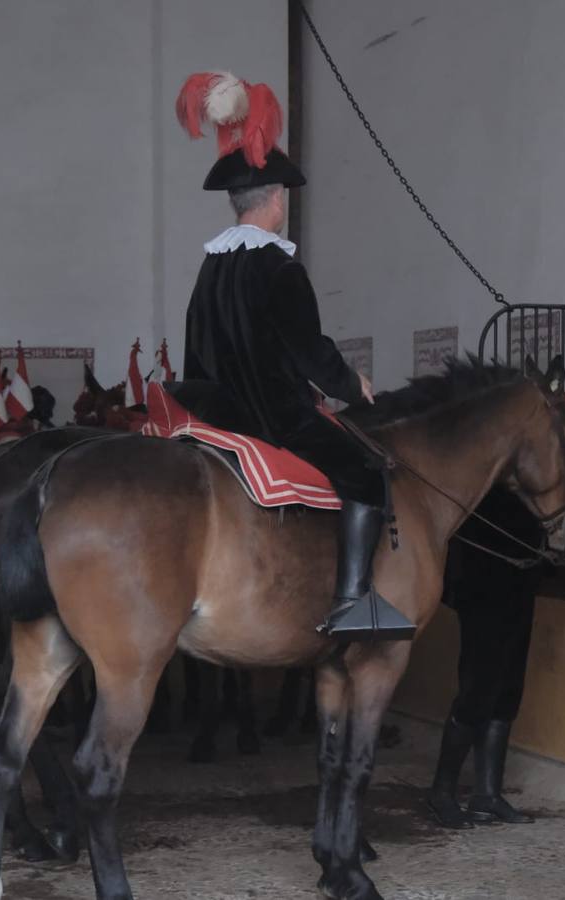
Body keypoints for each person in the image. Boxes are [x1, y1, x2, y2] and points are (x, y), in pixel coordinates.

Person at [174, 71, 413, 642]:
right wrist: (353, 385)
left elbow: (196, 343)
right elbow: (307, 350)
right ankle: (353, 601)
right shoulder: (280, 268)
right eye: (284, 196)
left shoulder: (212, 266)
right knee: (368, 471)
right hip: (270, 415)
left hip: (208, 411)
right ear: (276, 200)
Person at [427, 434, 565, 827]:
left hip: (520, 580)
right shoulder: (502, 459)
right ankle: (442, 791)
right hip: (483, 584)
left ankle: (487, 795)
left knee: (507, 690)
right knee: (477, 688)